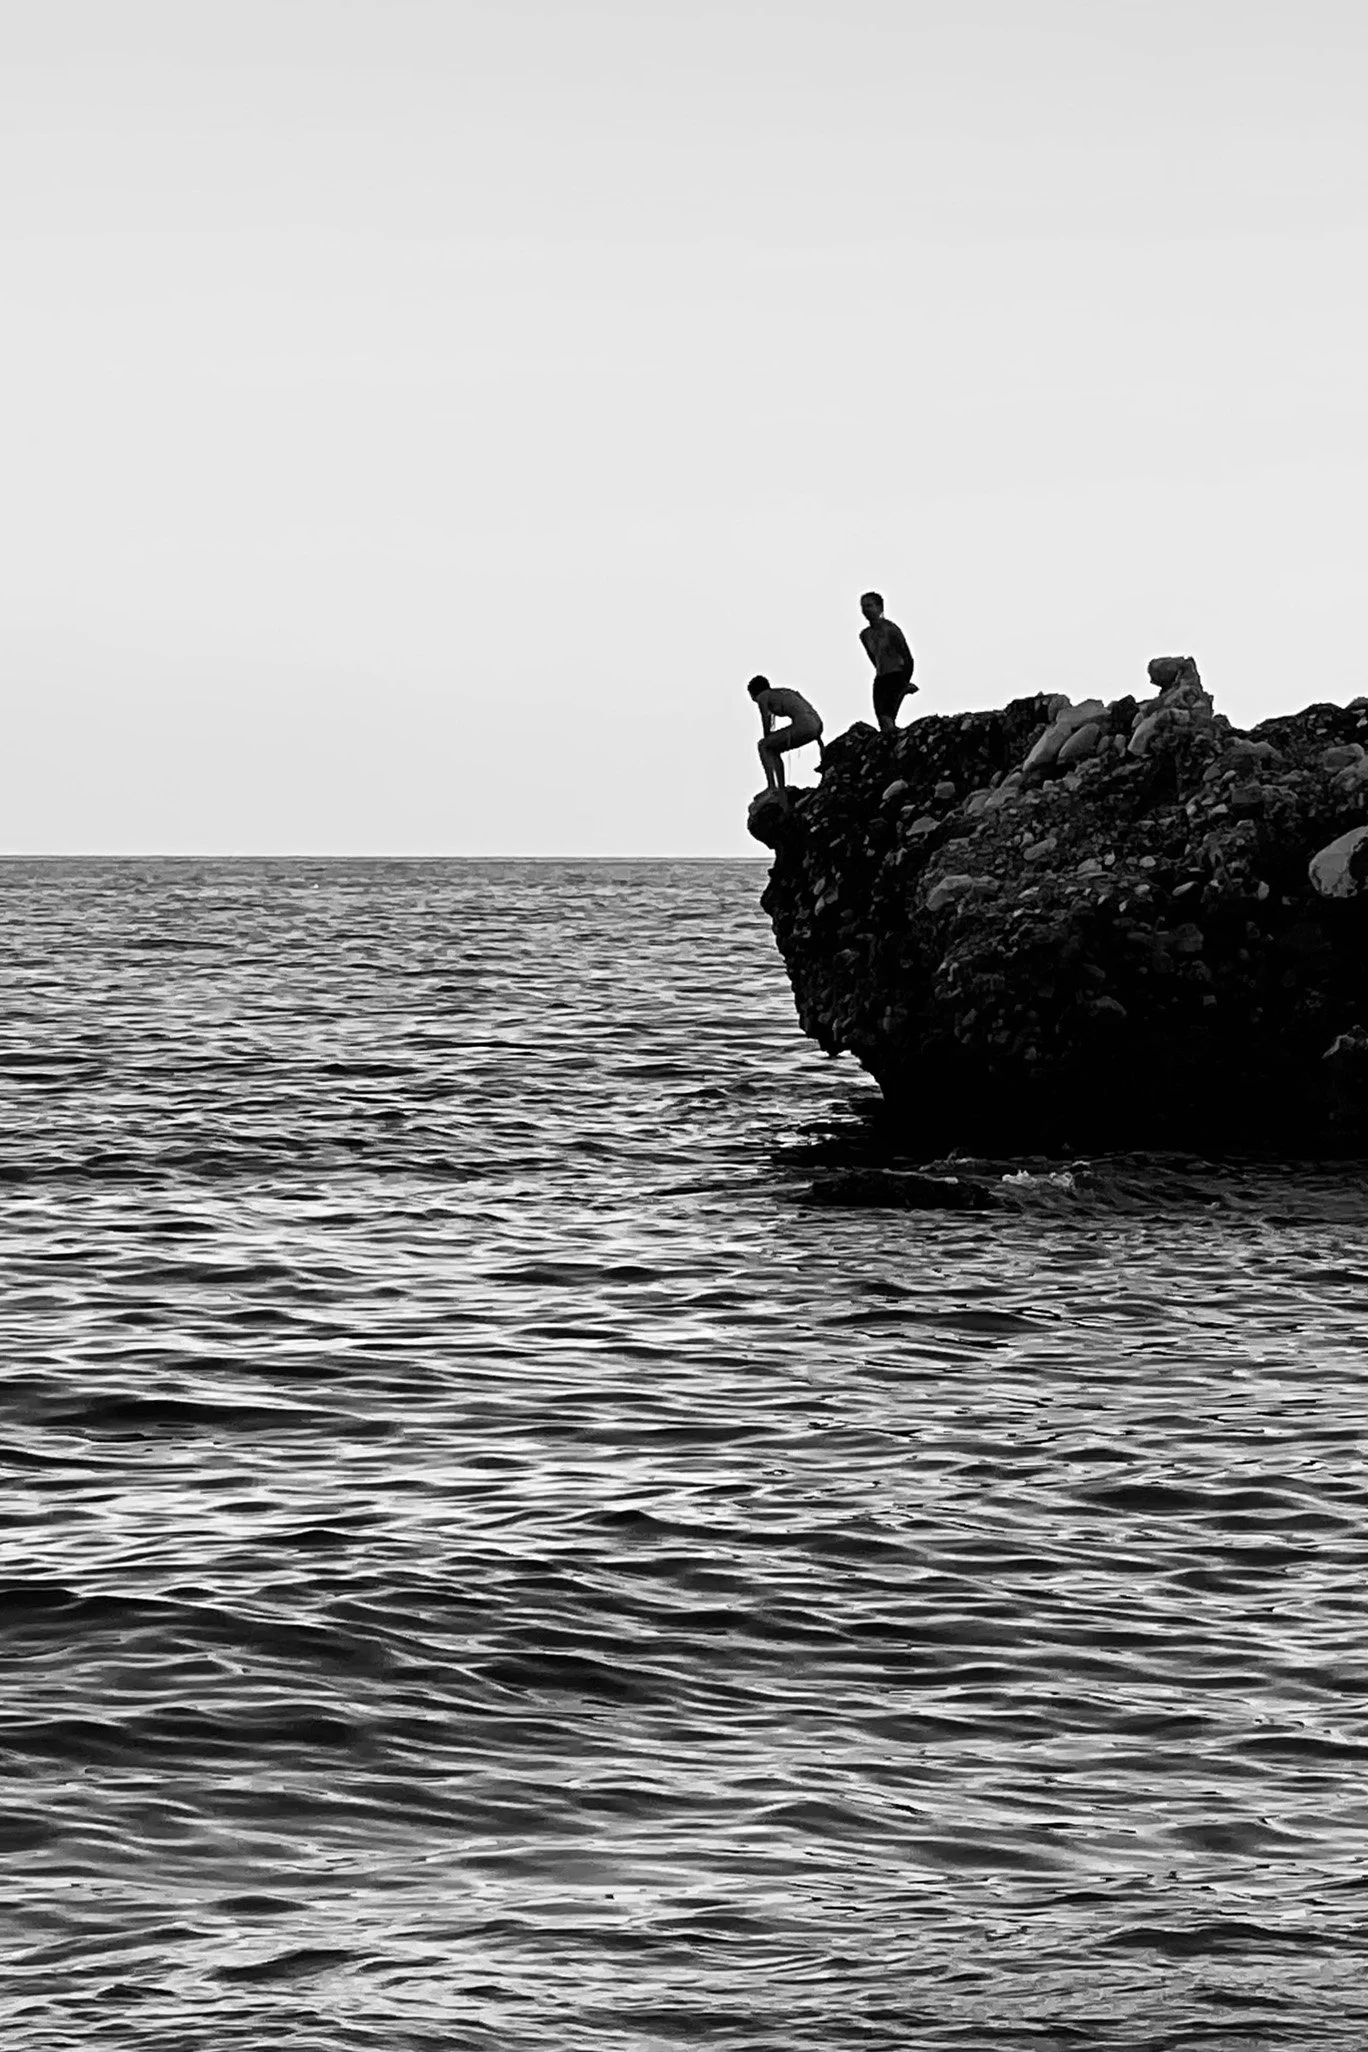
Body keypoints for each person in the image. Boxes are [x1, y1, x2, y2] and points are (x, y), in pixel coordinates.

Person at [748, 675, 824, 791]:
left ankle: (772, 787)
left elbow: (766, 719)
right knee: (773, 748)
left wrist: (767, 738)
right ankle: (781, 789)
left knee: (763, 745)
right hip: (817, 724)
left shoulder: (763, 696)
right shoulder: (783, 692)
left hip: (805, 725)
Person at [859, 591, 916, 734]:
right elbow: (873, 658)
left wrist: (904, 679)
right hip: (881, 677)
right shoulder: (865, 635)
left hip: (896, 673)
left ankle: (904, 688)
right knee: (881, 719)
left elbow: (906, 655)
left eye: (870, 605)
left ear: (880, 608)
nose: (866, 610)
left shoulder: (891, 629)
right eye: (863, 606)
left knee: (886, 716)